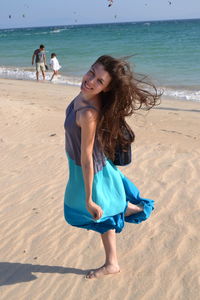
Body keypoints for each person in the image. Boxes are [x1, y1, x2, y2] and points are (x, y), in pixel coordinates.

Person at [64, 55, 160, 279]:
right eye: (91, 73)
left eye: (99, 81)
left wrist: (89, 198)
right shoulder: (84, 94)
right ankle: (113, 257)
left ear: (106, 89)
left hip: (90, 170)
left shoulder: (88, 113)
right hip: (80, 165)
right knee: (101, 214)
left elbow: (87, 157)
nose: (90, 81)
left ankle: (123, 212)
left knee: (84, 210)